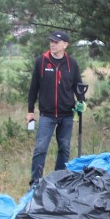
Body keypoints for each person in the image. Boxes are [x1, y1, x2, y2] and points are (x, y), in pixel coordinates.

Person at [26, 30, 86, 185]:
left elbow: (78, 86)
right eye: (51, 41)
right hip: (47, 114)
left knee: (64, 149)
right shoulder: (41, 62)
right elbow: (34, 88)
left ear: (65, 45)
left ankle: (59, 181)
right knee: (40, 148)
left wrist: (81, 102)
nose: (53, 44)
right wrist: (30, 111)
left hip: (67, 114)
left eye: (56, 42)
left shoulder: (71, 64)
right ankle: (36, 183)